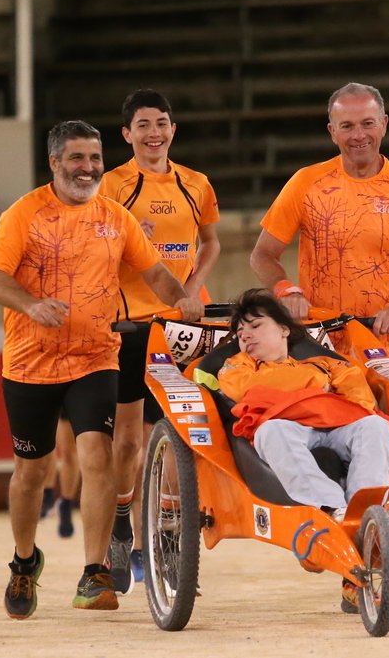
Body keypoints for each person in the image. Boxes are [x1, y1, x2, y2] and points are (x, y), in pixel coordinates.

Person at [0, 120, 202, 619]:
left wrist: (184, 300)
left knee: (96, 458)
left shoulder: (116, 218)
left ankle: (93, 573)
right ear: (55, 163)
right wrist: (31, 304)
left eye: (95, 159)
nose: (88, 168)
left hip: (96, 356)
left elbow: (156, 274)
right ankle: (23, 561)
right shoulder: (24, 214)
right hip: (29, 364)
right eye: (77, 159)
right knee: (31, 473)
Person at [97, 88, 221, 594]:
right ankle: (123, 521)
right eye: (143, 124)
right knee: (128, 439)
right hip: (129, 328)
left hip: (185, 329)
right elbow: (98, 250)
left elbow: (210, 242)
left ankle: (169, 538)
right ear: (127, 134)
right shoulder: (112, 185)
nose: (154, 132)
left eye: (162, 122)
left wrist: (191, 292)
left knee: (182, 436)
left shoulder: (196, 184)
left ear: (174, 128)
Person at [249, 83, 389, 361]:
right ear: (332, 132)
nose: (359, 135)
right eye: (347, 126)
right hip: (318, 347)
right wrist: (287, 290)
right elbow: (262, 254)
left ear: (384, 125)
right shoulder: (306, 183)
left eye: (368, 124)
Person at [216, 289, 389, 521]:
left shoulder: (325, 364)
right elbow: (249, 389)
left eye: (255, 326)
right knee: (271, 431)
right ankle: (331, 508)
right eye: (240, 333)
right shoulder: (236, 365)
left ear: (284, 330)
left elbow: (360, 399)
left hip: (336, 426)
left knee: (374, 425)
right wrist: (315, 386)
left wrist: (316, 397)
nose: (245, 336)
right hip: (286, 428)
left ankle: (367, 511)